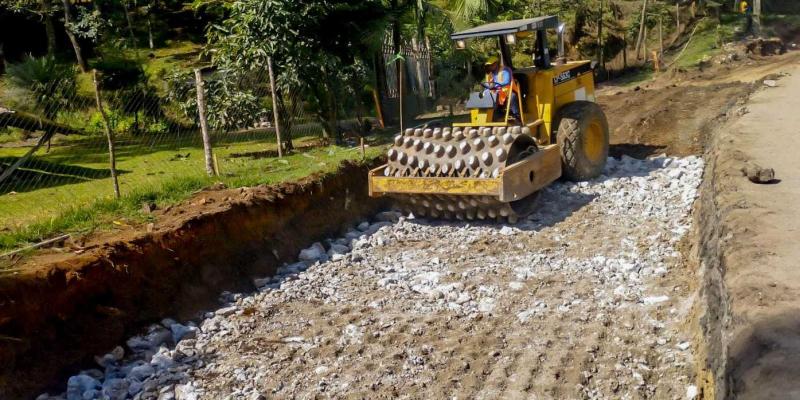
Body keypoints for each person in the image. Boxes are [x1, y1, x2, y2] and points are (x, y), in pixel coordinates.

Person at [481, 56, 520, 122]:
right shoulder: (491, 73)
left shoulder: (506, 70)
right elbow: (489, 84)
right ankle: (493, 116)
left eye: (491, 65)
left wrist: (495, 86)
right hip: (498, 92)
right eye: (489, 65)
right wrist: (485, 90)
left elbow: (507, 81)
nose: (490, 67)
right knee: (485, 96)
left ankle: (517, 116)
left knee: (512, 96)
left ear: (496, 64)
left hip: (508, 91)